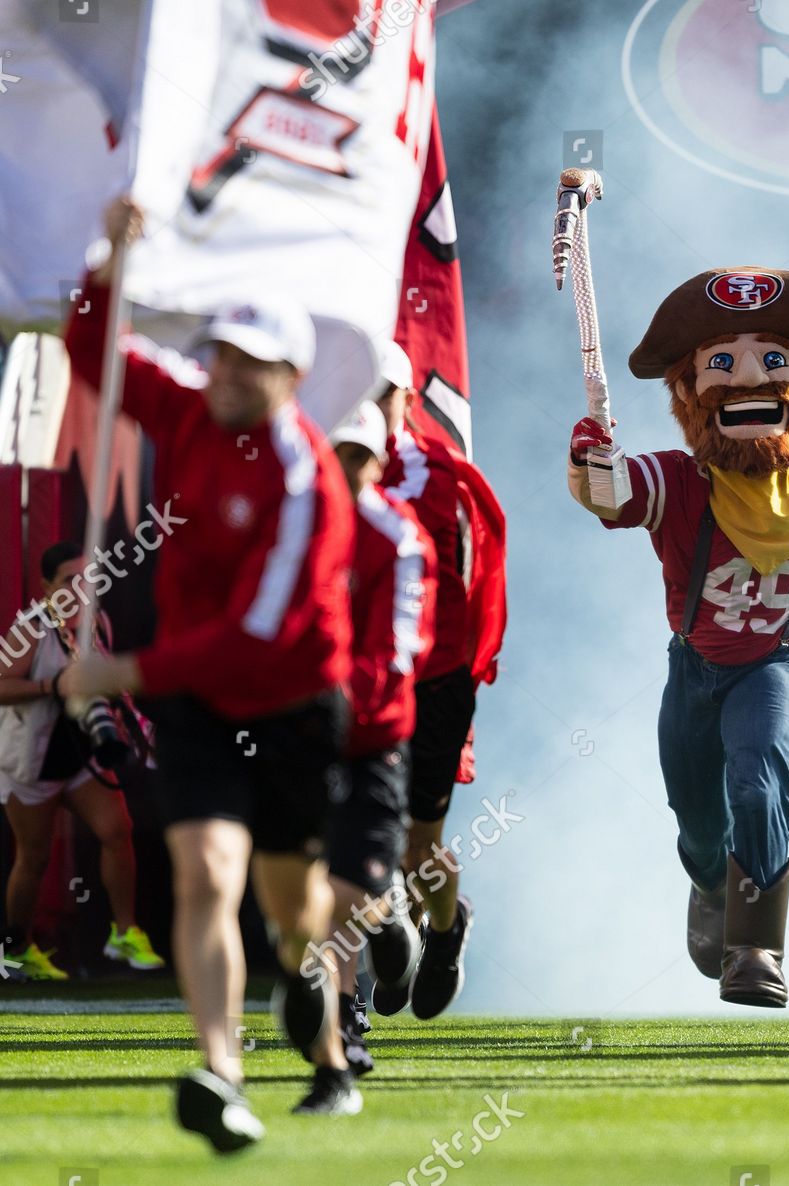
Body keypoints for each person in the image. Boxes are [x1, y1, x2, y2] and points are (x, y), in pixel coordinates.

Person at [58, 195, 360, 1147]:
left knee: (292, 913)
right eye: (221, 354)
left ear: (292, 378)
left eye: (250, 364)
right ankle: (220, 1070)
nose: (226, 374)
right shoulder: (187, 408)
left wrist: (123, 671)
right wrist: (114, 253)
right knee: (203, 874)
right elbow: (92, 345)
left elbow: (258, 637)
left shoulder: (307, 480)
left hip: (290, 704)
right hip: (194, 703)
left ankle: (325, 1050)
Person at [567, 267, 789, 1008]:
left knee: (757, 778)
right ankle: (713, 882)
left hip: (777, 664)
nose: (749, 379)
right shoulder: (681, 482)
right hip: (697, 670)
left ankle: (756, 951)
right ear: (691, 395)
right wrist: (590, 458)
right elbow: (612, 495)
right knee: (697, 821)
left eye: (773, 361)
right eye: (723, 364)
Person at [322, 401, 435, 1074]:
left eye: (357, 456)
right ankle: (342, 1024)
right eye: (335, 454)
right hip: (299, 733)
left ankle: (388, 916)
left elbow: (400, 648)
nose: (344, 469)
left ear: (376, 462)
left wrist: (333, 701)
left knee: (348, 885)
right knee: (317, 888)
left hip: (372, 735)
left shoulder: (396, 535)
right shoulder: (291, 523)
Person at [368, 342, 476, 1020]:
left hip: (433, 679)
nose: (367, 404)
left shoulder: (439, 475)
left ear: (407, 400)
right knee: (350, 830)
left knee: (418, 846)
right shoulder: (311, 465)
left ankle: (443, 929)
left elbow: (475, 580)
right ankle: (385, 934)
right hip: (352, 679)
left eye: (381, 391)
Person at [0, 542, 164, 980]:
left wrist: (138, 725)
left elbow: (109, 682)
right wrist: (53, 686)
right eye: (70, 580)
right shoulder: (28, 631)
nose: (81, 589)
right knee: (33, 859)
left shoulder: (98, 622)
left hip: (79, 759)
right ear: (46, 586)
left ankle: (125, 933)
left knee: (117, 830)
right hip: (30, 764)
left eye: (87, 578)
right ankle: (17, 947)